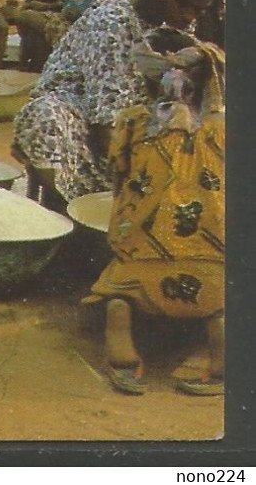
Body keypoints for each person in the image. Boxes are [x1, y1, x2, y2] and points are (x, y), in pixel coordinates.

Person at [12, 0, 224, 205]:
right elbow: (108, 123)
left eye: (200, 9)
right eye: (185, 6)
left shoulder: (186, 19)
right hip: (84, 125)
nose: (191, 16)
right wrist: (144, 183)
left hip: (138, 122)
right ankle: (70, 212)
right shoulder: (111, 21)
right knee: (46, 117)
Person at [86, 34, 225, 396]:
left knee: (121, 288)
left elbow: (118, 176)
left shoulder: (132, 120)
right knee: (221, 297)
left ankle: (123, 354)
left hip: (143, 248)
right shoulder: (224, 128)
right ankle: (222, 361)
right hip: (210, 250)